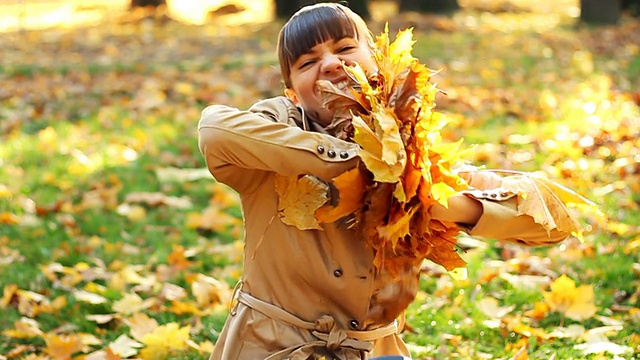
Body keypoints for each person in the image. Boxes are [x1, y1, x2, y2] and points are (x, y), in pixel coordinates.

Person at [197, 3, 570, 359]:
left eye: (345, 47)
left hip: (376, 351)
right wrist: (364, 164)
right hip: (273, 347)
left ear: (379, 62)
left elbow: (552, 216)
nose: (330, 64)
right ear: (293, 92)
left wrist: (433, 200)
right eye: (308, 62)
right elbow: (214, 130)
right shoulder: (278, 126)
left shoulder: (416, 155)